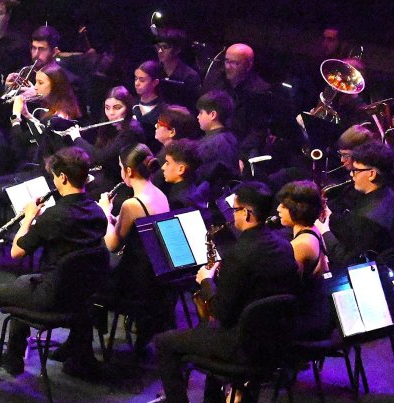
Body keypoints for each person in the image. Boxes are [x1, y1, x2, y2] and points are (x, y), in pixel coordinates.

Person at [0, 147, 108, 381]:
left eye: (55, 177)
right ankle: (13, 358)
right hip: (81, 296)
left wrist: (28, 218)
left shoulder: (55, 215)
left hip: (52, 297)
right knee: (22, 283)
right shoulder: (97, 212)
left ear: (63, 178)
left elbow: (17, 251)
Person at [154, 181, 300, 403]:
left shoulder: (238, 254)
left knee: (164, 341)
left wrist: (206, 281)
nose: (233, 216)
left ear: (248, 213)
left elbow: (221, 312)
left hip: (240, 345)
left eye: (235, 210)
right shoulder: (284, 245)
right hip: (273, 342)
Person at [95, 143, 172, 350]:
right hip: (155, 275)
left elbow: (112, 244)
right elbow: (130, 226)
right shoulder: (159, 194)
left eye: (121, 167)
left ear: (128, 171)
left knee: (88, 280)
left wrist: (104, 212)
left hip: (135, 281)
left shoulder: (133, 204)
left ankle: (84, 346)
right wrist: (113, 215)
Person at [315, 141, 394, 268]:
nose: (351, 174)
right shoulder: (391, 192)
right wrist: (331, 217)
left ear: (372, 174)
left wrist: (324, 231)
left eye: (355, 170)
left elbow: (347, 261)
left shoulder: (366, 218)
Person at [275, 180, 331, 338]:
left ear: (298, 209)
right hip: (313, 311)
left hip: (306, 320)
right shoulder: (313, 229)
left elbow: (287, 287)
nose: (278, 209)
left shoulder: (302, 244)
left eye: (284, 206)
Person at [66, 85, 145, 199]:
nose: (111, 113)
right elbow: (99, 151)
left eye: (117, 108)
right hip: (108, 174)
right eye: (107, 108)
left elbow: (101, 157)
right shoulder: (112, 126)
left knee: (80, 195)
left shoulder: (131, 131)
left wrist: (77, 138)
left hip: (123, 182)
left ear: (127, 108)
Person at [195, 90, 241, 184]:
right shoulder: (229, 137)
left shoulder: (217, 142)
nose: (197, 117)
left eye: (201, 113)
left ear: (213, 115)